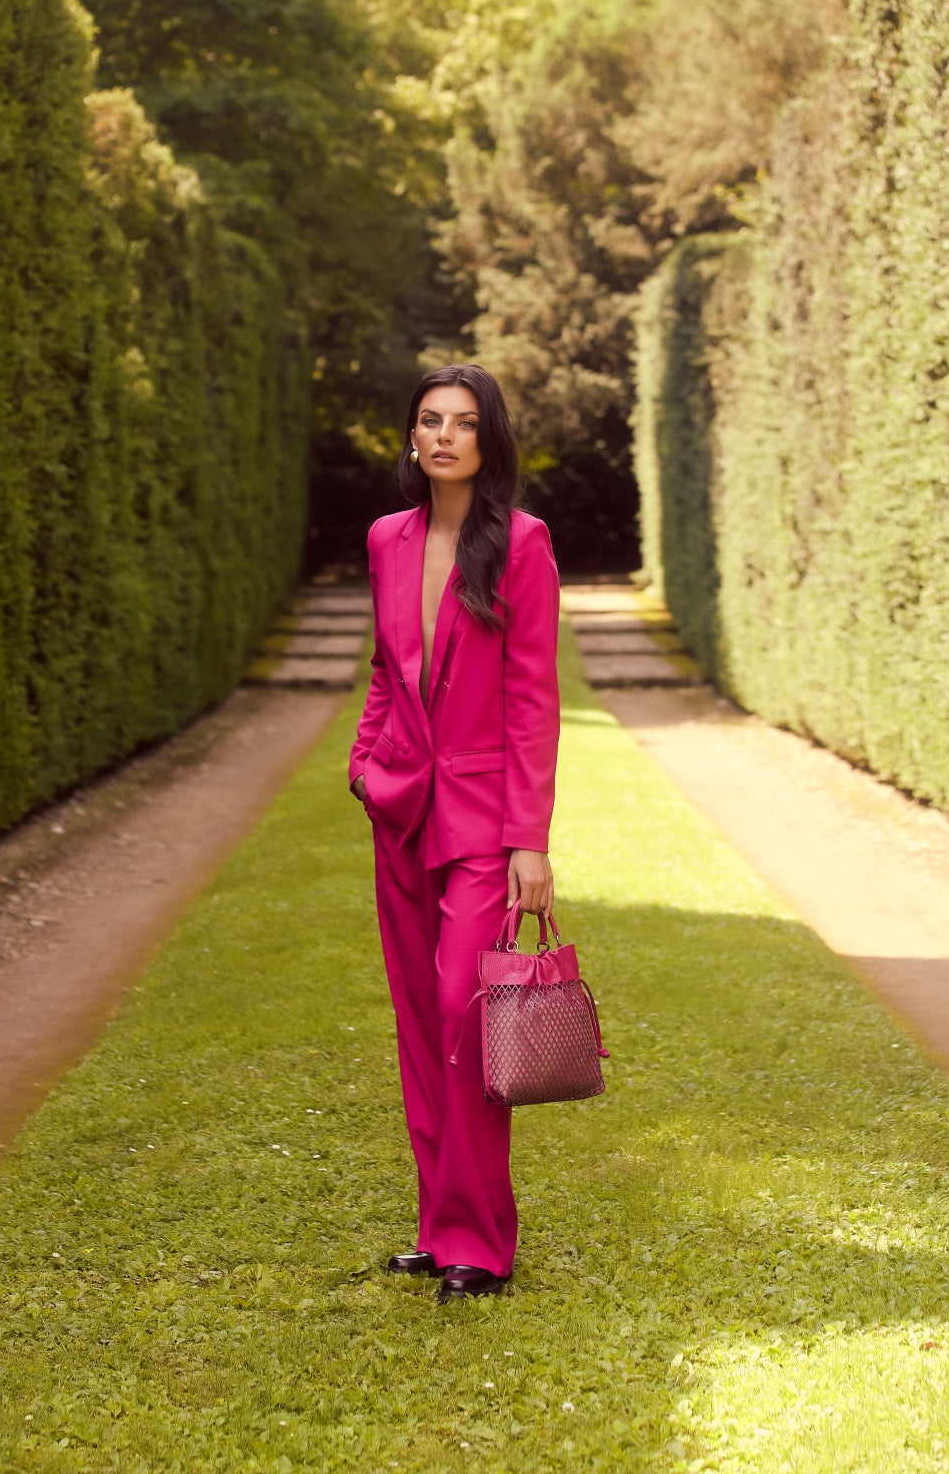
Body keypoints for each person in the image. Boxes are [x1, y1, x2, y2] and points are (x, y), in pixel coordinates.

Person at [349, 363, 560, 1303]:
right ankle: (440, 1229)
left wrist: (530, 840)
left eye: (462, 424)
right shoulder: (386, 539)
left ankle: (483, 1243)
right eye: (429, 420)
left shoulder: (520, 544)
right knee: (414, 1022)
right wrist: (363, 765)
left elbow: (532, 700)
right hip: (400, 809)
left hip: (482, 825)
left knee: (461, 1021)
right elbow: (389, 673)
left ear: (489, 440)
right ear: (412, 437)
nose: (442, 436)